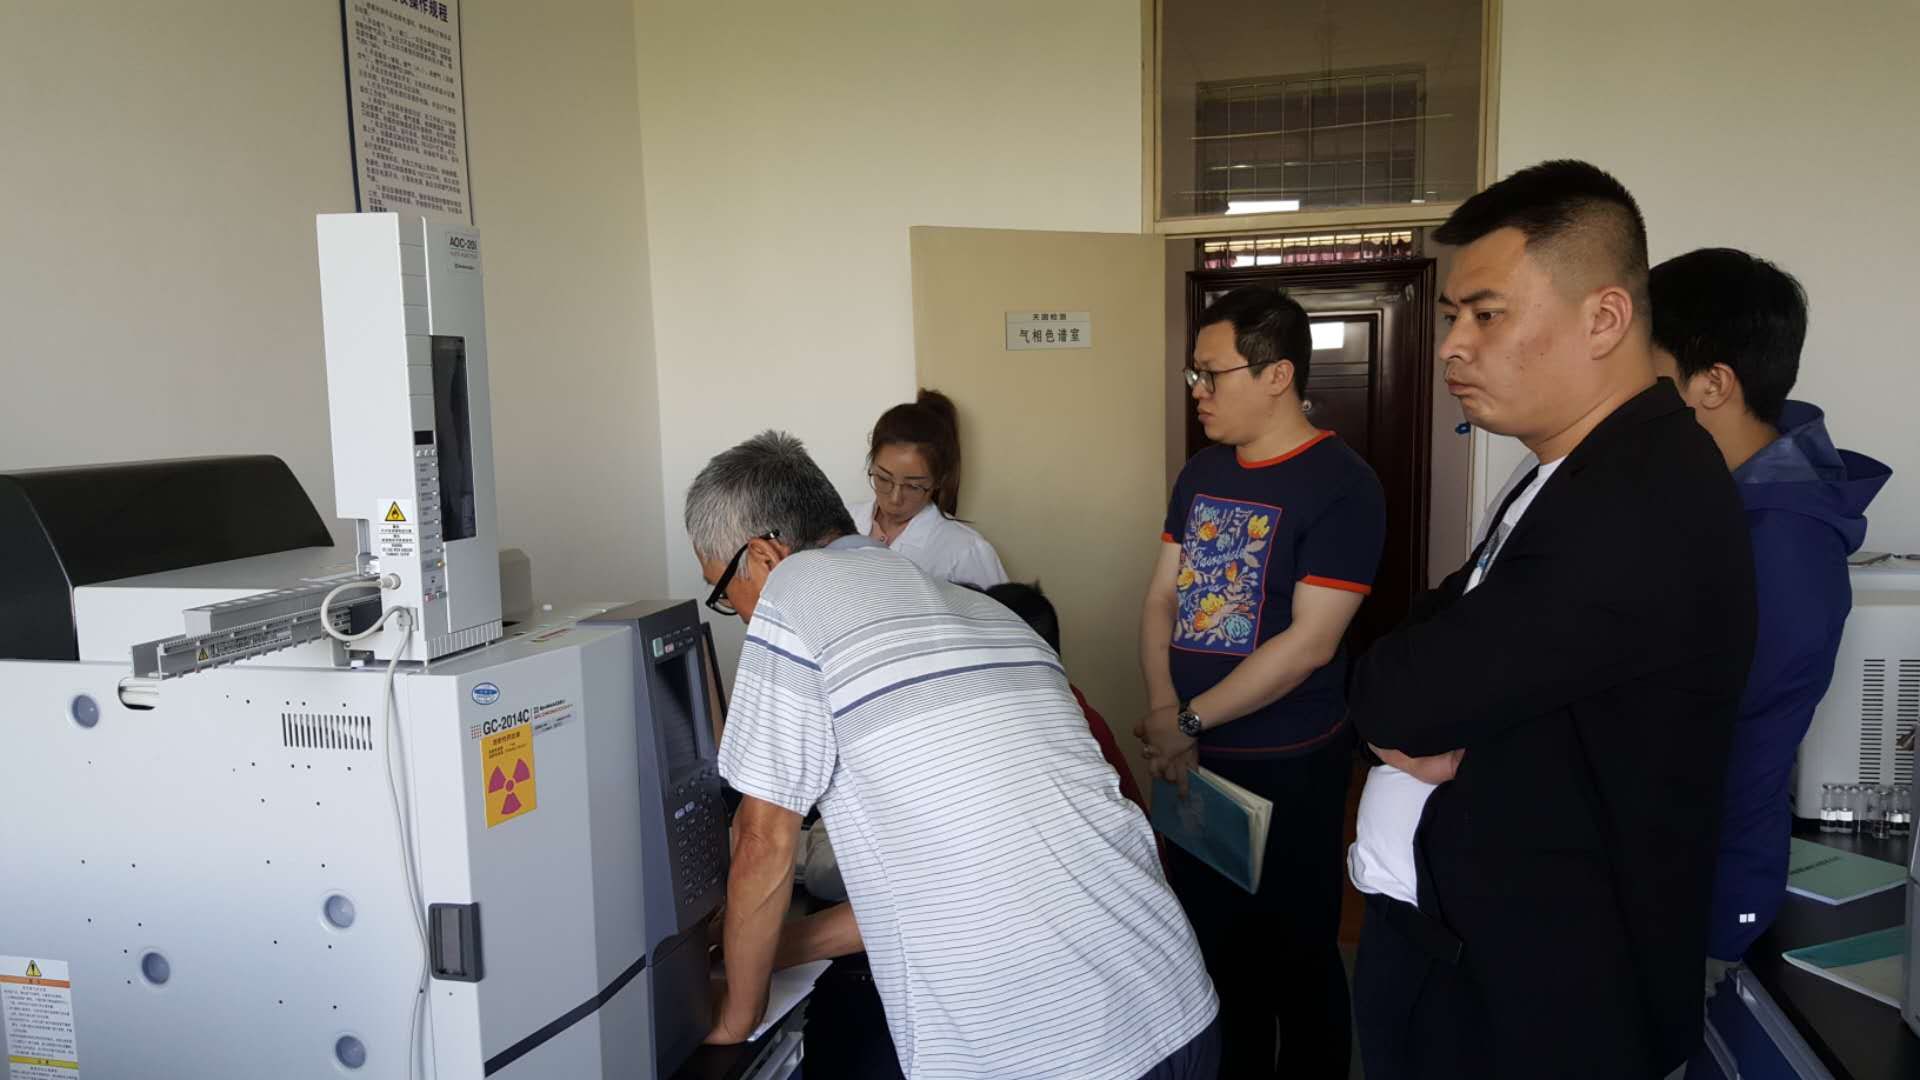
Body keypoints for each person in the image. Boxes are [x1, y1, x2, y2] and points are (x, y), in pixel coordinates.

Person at [1345, 160, 1757, 1079]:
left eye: (1486, 315)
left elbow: (1398, 694)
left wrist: (1401, 700)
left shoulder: (1641, 499)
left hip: (1542, 999)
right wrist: (1410, 692)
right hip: (1476, 953)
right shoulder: (1569, 472)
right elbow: (1434, 629)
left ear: (1604, 318)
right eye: (1452, 316)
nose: (1452, 347)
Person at [688, 431, 1219, 1080]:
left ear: (766, 556)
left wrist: (734, 1016)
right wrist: (758, 947)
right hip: (1177, 1000)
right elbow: (947, 886)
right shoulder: (984, 612)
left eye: (725, 592)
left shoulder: (794, 591)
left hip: (1059, 1050)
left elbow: (763, 840)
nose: (740, 616)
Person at [1137, 285, 1385, 1078]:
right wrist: (1165, 710)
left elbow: (1310, 644)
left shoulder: (1343, 485)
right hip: (1193, 761)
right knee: (1213, 950)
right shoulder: (1202, 471)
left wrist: (1188, 721)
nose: (1199, 391)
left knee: (1297, 957)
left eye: (1212, 374)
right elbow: (1163, 597)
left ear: (1277, 375)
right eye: (1196, 374)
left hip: (1287, 764)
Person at [1647, 249, 1891, 995]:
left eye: (1646, 378)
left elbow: (1710, 739)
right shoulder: (1719, 500)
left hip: (1700, 897)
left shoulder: (1782, 543)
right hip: (1664, 873)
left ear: (1713, 384)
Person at [849, 389, 1009, 587]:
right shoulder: (841, 522)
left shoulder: (965, 551)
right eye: (883, 478)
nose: (895, 498)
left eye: (913, 486)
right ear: (872, 465)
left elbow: (1001, 608)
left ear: (938, 480)